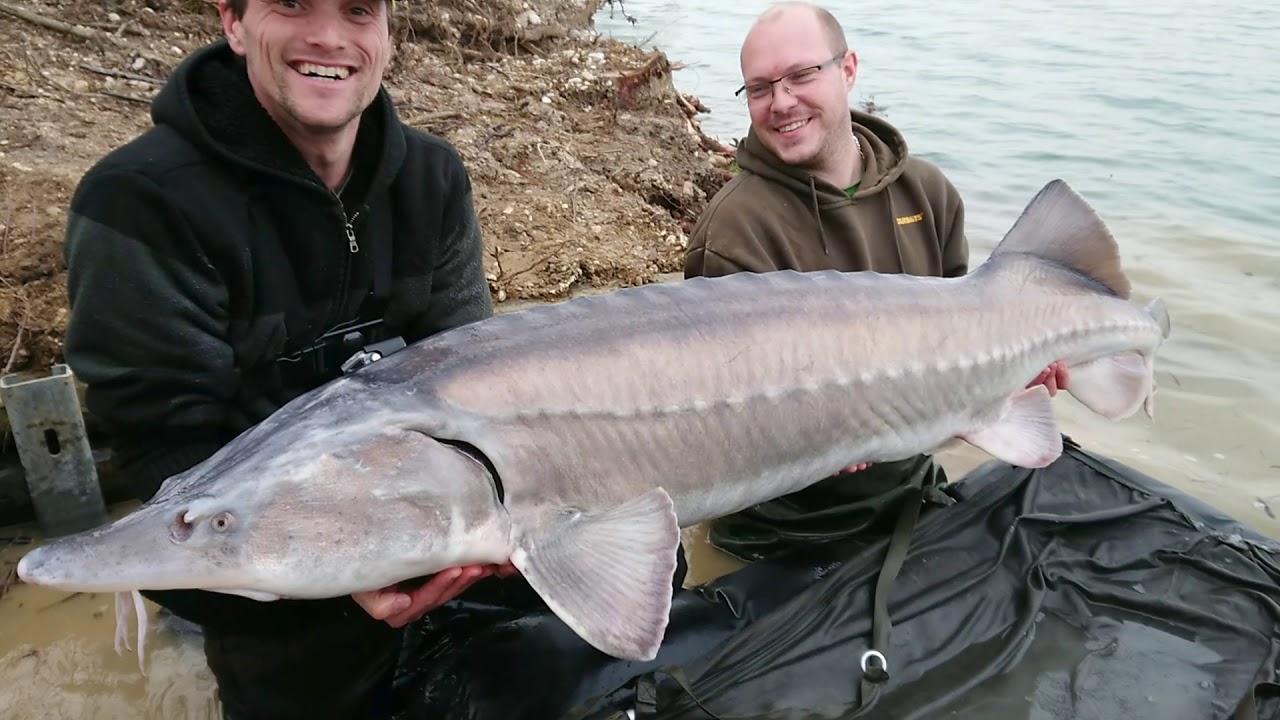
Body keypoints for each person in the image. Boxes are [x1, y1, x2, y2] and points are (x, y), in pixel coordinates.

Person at [60, 0, 513, 716]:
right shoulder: (137, 203)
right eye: (292, 4)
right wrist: (339, 583)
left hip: (412, 519)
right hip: (263, 567)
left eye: (359, 11)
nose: (329, 36)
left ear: (387, 35)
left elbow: (468, 386)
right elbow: (159, 453)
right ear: (234, 23)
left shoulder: (433, 175)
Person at [685, 2, 1068, 563]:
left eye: (801, 75)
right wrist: (813, 440)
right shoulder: (734, 230)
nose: (782, 102)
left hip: (913, 495)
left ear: (848, 69)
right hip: (782, 534)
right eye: (760, 88)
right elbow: (718, 418)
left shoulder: (927, 192)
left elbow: (966, 336)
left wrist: (1010, 374)